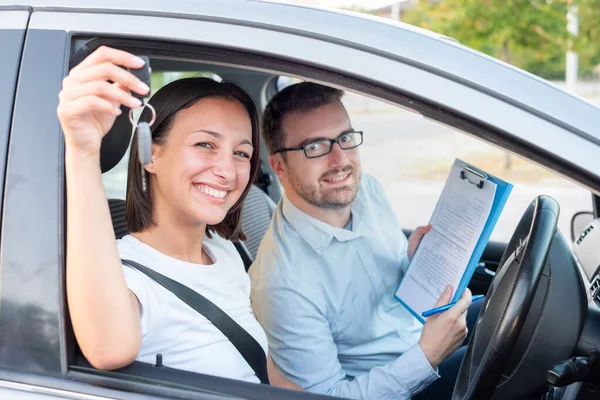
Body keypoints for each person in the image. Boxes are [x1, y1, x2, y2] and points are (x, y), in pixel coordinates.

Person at [58, 45, 297, 388]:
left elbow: (265, 374)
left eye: (241, 153)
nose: (228, 171)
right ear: (150, 155)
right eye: (205, 145)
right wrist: (83, 151)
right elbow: (108, 348)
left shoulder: (225, 252)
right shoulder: (125, 274)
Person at [249, 82, 480, 399]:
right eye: (315, 147)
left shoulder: (366, 189)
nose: (339, 160)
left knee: (507, 317)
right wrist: (427, 356)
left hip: (419, 333)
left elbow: (382, 288)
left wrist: (411, 263)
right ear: (279, 166)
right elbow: (329, 396)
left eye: (344, 138)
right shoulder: (282, 284)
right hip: (398, 384)